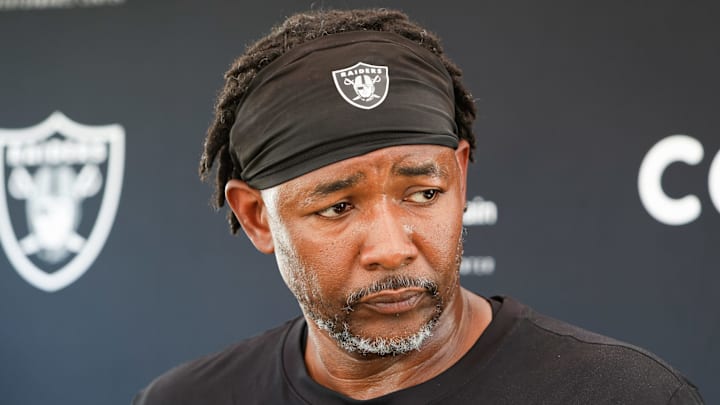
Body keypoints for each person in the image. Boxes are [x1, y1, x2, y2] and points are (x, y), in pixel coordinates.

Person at [133, 8, 703, 404]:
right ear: (257, 216)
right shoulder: (185, 400)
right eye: (337, 207)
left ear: (460, 176)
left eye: (424, 194)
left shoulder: (626, 396)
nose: (391, 249)